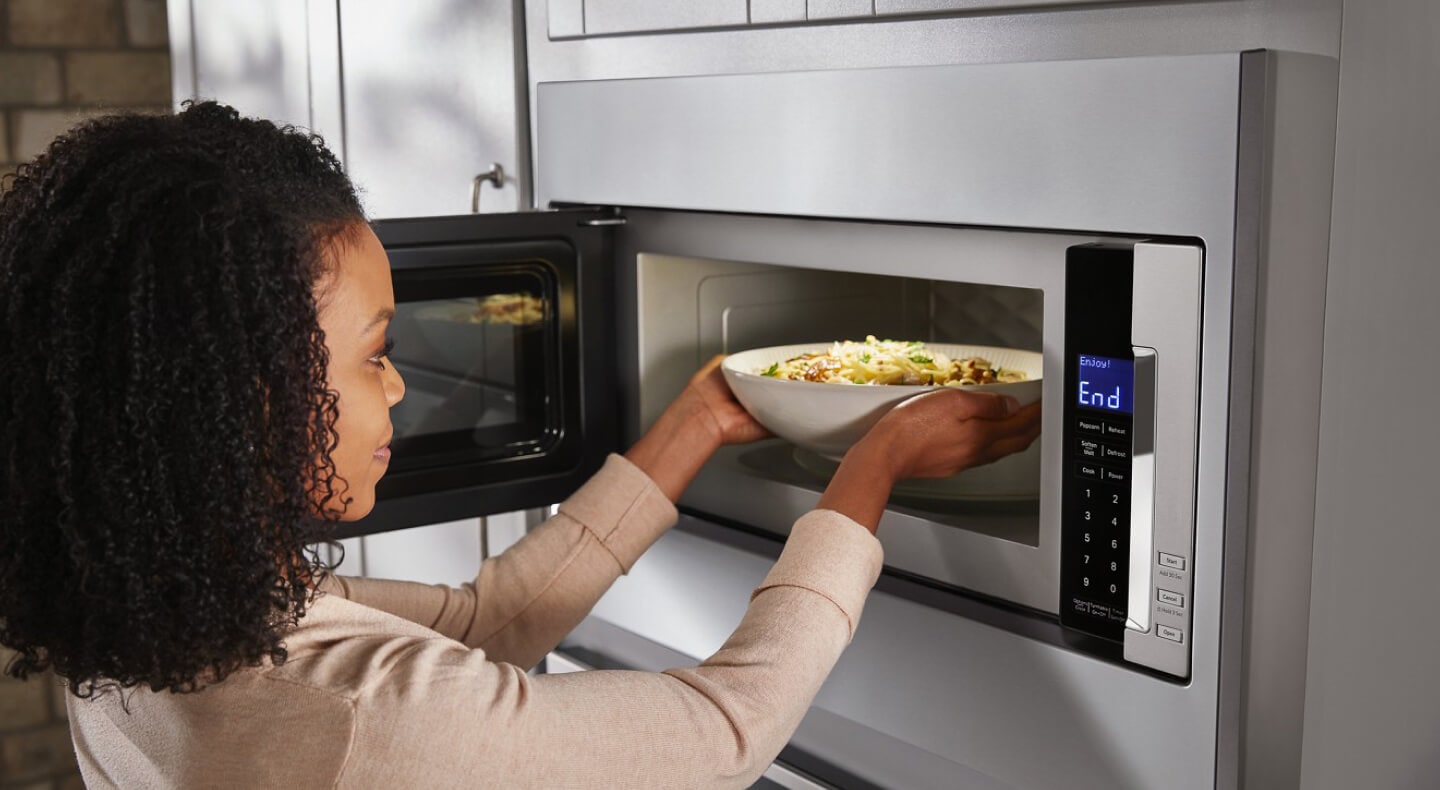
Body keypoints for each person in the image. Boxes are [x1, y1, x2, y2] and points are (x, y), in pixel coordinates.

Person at [0, 103, 1042, 788]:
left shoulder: (157, 621)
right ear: (240, 395)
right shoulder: (359, 717)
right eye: (375, 353)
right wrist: (872, 464)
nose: (399, 385)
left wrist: (698, 424)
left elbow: (482, 624)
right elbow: (728, 728)